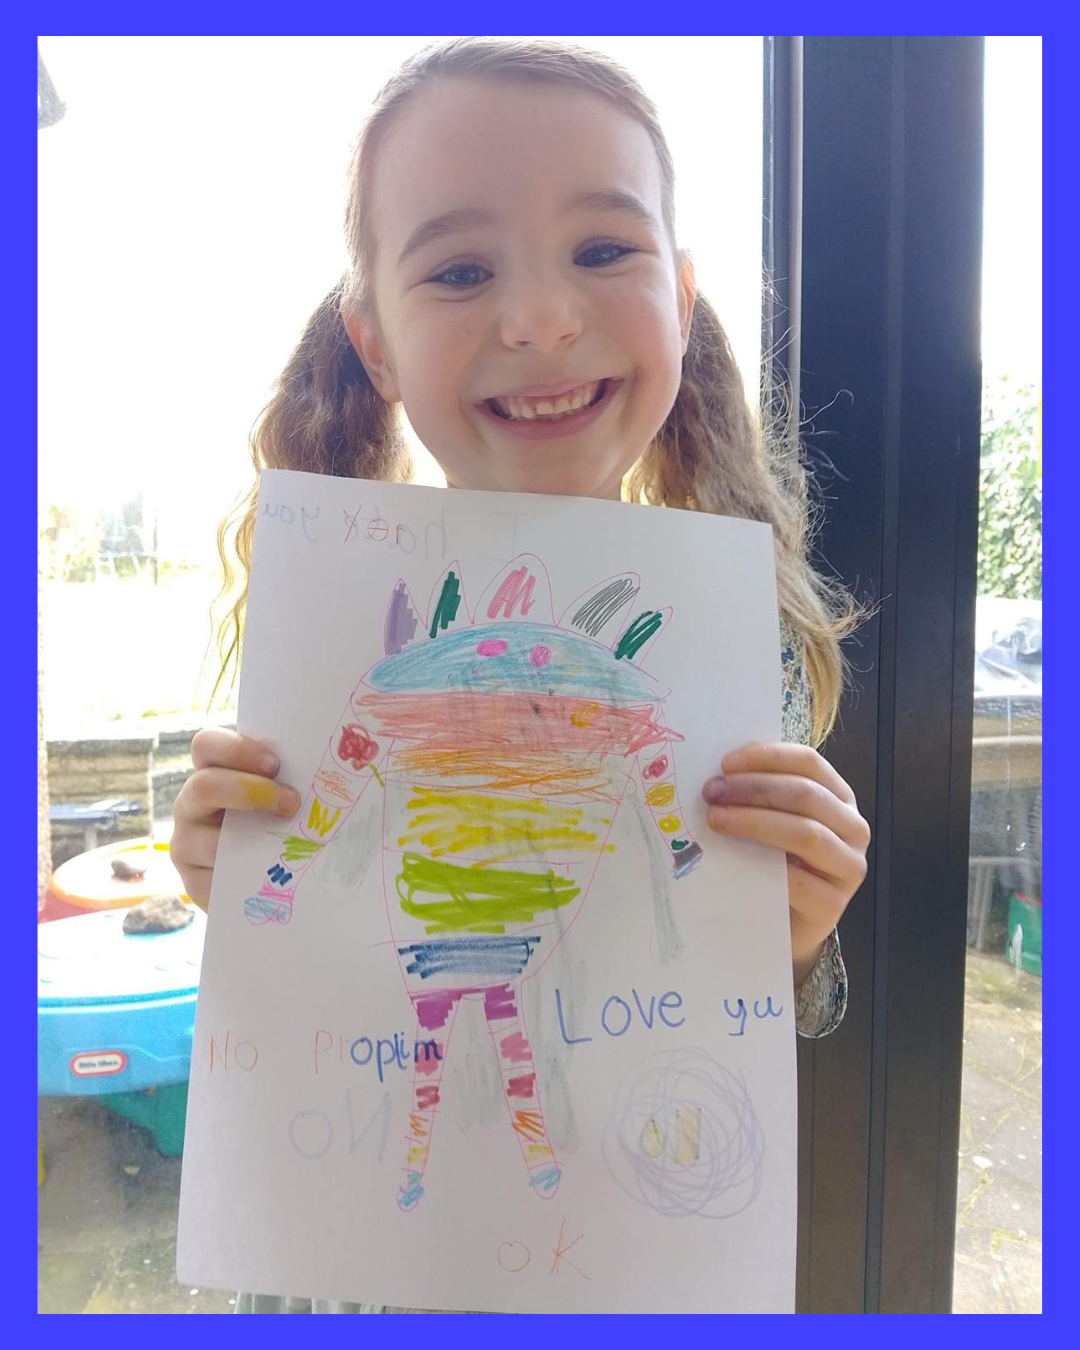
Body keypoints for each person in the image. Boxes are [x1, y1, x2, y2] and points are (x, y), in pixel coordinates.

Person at [170, 37, 870, 1315]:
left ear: (680, 296)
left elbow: (739, 1007)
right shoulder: (338, 633)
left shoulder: (732, 651)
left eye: (603, 249)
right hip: (364, 1274)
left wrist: (796, 942)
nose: (542, 317)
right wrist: (241, 887)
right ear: (376, 345)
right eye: (459, 269)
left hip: (628, 1263)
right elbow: (312, 936)